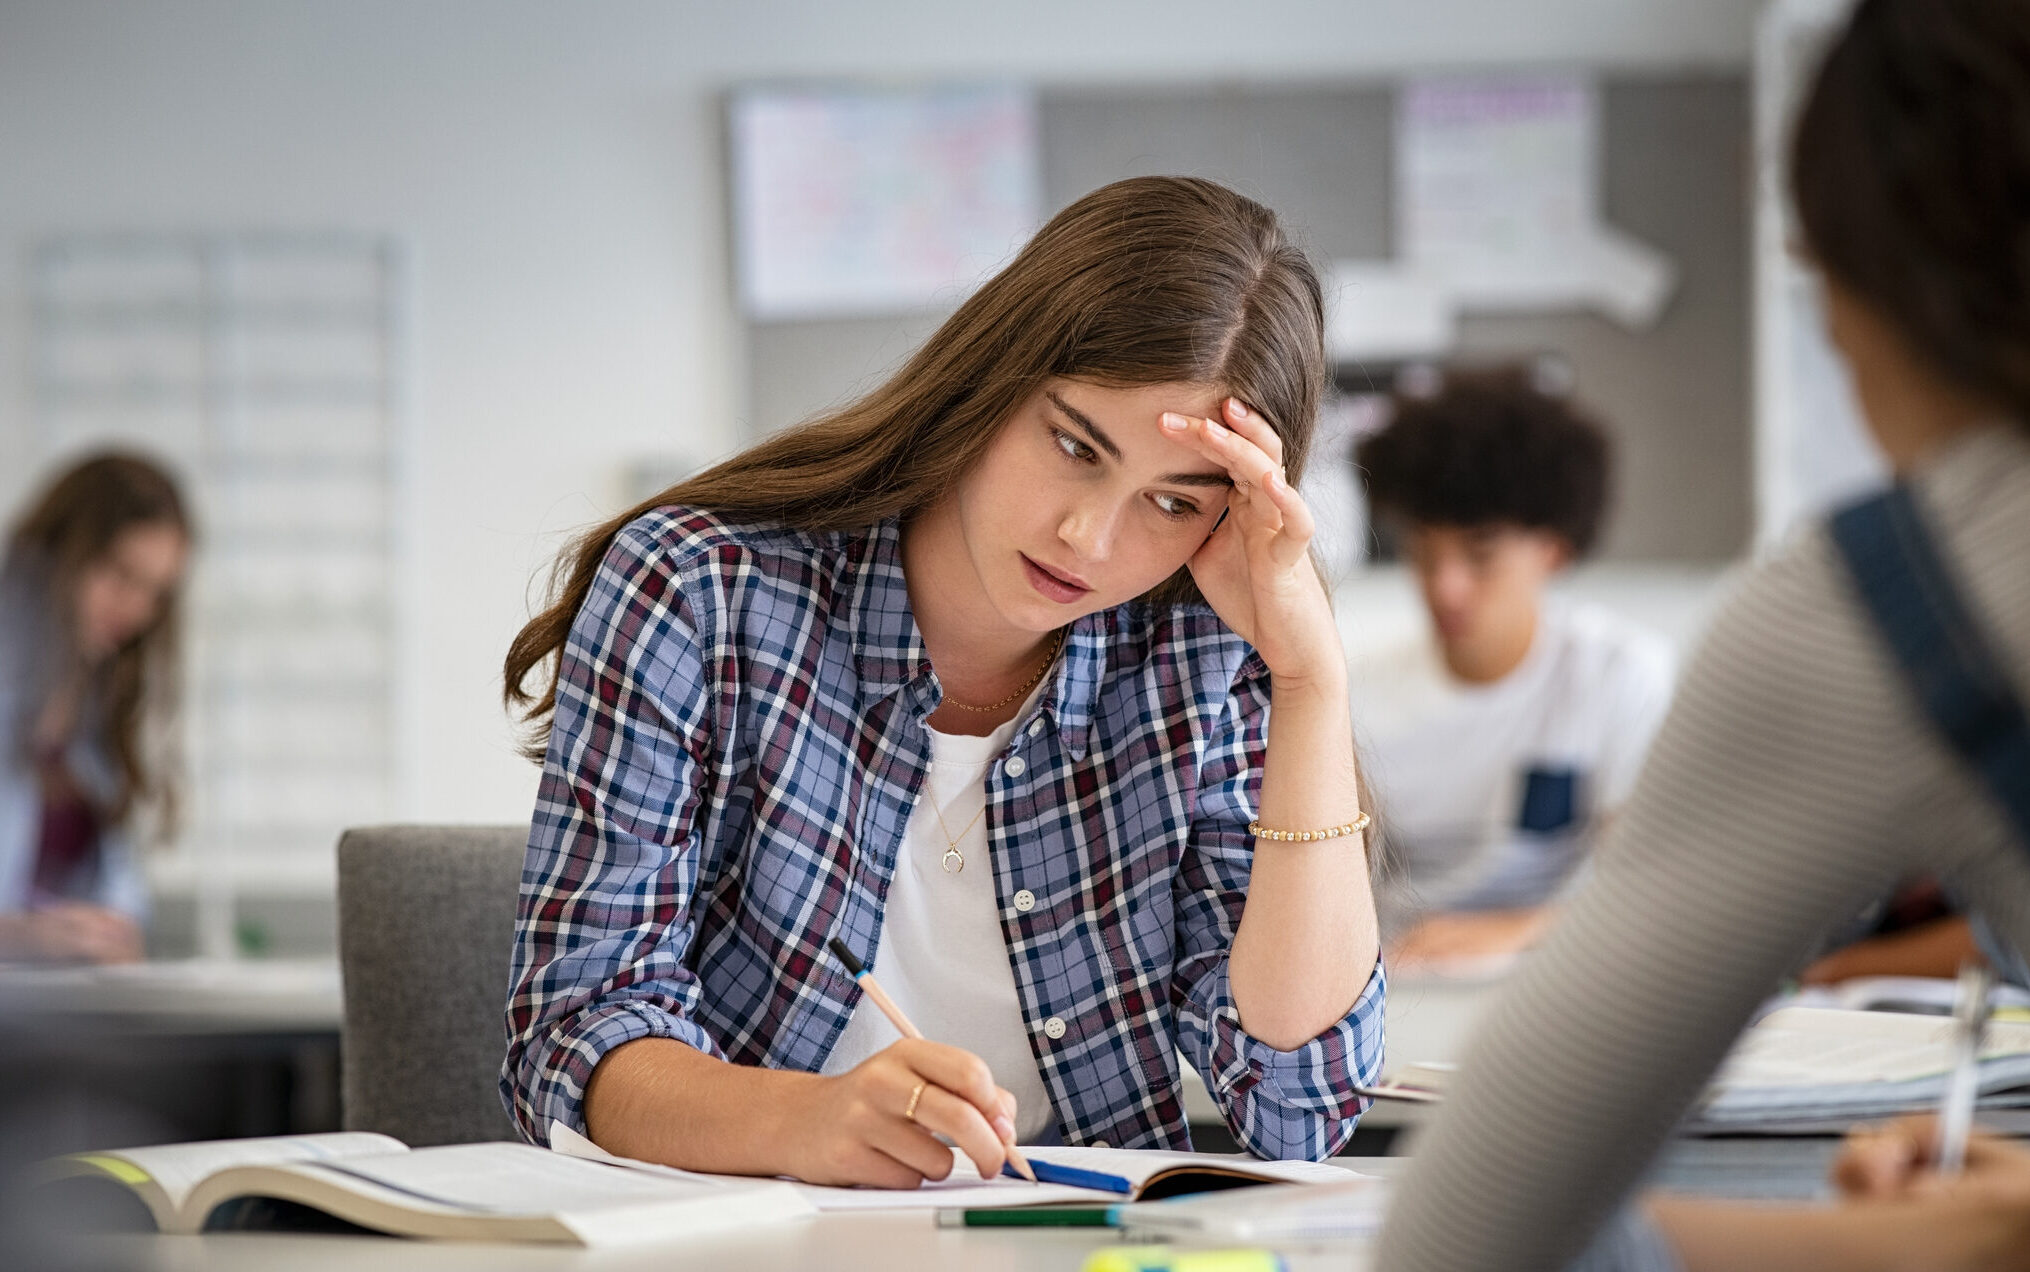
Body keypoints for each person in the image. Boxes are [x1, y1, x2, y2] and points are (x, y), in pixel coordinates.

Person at [499, 176, 1384, 1188]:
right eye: (1073, 446)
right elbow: (571, 1037)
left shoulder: (1200, 652)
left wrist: (1310, 677)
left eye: (1172, 504)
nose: (1089, 538)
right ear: (992, 379)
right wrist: (806, 1121)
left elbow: (1300, 1104)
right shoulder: (701, 588)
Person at [1377, 1, 2030, 1268]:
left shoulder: (1888, 602)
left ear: (1845, 285)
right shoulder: (1369, 691)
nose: (1446, 585)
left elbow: (1463, 1242)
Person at [1350, 367, 1674, 968]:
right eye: (1424, 551)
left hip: (1549, 974)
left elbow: (1659, 889)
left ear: (1553, 549)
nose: (1446, 587)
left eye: (1480, 554)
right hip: (1398, 979)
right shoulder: (1354, 696)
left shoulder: (1618, 677)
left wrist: (1521, 931)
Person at [0, 454, 191, 964]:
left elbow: (123, 908)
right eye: (120, 573)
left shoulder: (99, 722)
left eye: (155, 592)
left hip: (60, 1026)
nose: (136, 609)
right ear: (55, 551)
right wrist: (17, 941)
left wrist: (117, 942)